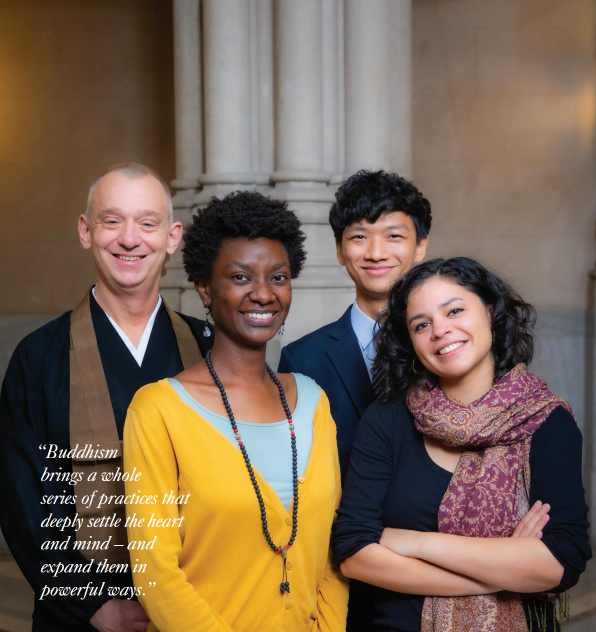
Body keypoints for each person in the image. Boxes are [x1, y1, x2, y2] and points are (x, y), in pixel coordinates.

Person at [0, 163, 213, 632]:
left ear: (173, 236)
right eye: (112, 220)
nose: (129, 239)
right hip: (81, 616)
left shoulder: (208, 347)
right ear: (85, 230)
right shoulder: (38, 357)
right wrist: (94, 606)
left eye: (148, 223)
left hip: (199, 606)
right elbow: (23, 502)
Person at [122, 191, 349, 632]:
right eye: (241, 277)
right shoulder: (158, 411)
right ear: (205, 287)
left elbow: (330, 552)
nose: (263, 294)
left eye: (278, 277)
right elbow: (156, 572)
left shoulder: (314, 401)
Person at [332, 257, 592, 632]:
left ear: (490, 311)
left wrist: (413, 543)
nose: (440, 330)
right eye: (421, 324)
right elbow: (354, 553)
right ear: (410, 340)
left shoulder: (546, 421)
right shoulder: (387, 418)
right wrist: (505, 572)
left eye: (454, 310)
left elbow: (561, 561)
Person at [278, 170, 432, 632]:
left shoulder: (450, 346)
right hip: (340, 573)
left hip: (436, 568)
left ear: (420, 245)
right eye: (359, 237)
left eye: (393, 235)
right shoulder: (300, 357)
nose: (376, 252)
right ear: (341, 250)